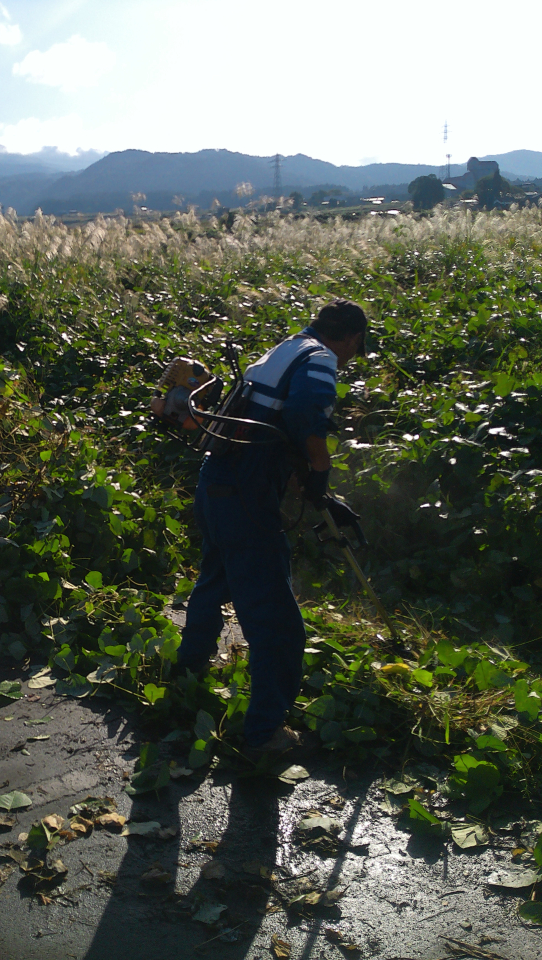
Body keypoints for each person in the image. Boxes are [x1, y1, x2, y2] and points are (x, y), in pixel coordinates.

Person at [177, 299, 368, 758]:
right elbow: (304, 414)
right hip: (244, 493)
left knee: (214, 579)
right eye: (356, 348)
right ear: (350, 337)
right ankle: (264, 734)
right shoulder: (320, 358)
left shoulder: (287, 347)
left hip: (215, 480)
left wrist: (312, 484)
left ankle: (184, 679)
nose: (352, 358)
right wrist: (320, 468)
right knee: (278, 623)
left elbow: (274, 423)